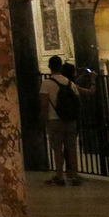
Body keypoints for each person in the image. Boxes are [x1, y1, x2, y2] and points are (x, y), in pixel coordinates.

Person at [40, 55, 83, 186]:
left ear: (49, 66)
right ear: (61, 67)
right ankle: (74, 176)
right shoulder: (70, 83)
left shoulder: (47, 83)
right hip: (70, 120)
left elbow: (44, 104)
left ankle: (60, 176)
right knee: (71, 149)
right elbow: (77, 102)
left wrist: (44, 120)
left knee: (57, 149)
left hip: (54, 120)